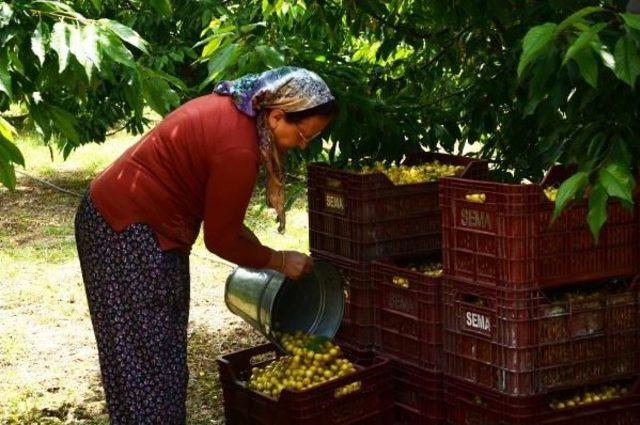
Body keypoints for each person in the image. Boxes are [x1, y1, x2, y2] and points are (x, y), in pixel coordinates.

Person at [74, 66, 337, 424]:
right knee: (144, 358)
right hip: (125, 231)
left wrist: (260, 251)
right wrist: (278, 260)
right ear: (277, 116)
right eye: (304, 134)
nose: (303, 145)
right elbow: (220, 240)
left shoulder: (240, 114)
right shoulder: (238, 147)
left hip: (144, 229)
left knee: (160, 350)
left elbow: (223, 220)